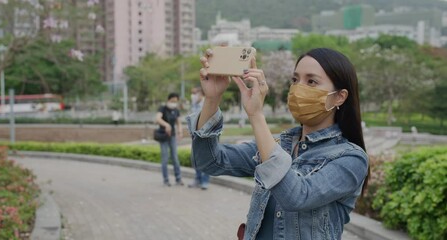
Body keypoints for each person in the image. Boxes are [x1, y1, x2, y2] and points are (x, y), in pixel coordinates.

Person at [187, 48, 369, 239]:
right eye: (295, 80)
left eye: (311, 81)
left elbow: (297, 196)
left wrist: (256, 115)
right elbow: (209, 161)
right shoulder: (278, 144)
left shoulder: (351, 158)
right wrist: (212, 99)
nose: (298, 88)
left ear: (339, 96)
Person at [155, 93, 184, 187]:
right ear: (168, 100)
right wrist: (166, 125)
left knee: (175, 157)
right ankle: (166, 180)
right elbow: (157, 119)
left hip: (172, 136)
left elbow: (179, 123)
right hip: (163, 135)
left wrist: (180, 132)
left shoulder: (176, 110)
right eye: (172, 101)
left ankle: (178, 179)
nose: (174, 103)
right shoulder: (162, 108)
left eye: (176, 102)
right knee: (165, 158)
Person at [188, 86, 210, 190]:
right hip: (195, 133)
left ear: (202, 94)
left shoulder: (207, 104)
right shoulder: (195, 105)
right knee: (195, 158)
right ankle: (197, 179)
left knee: (205, 158)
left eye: (196, 94)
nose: (194, 96)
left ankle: (205, 181)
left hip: (205, 133)